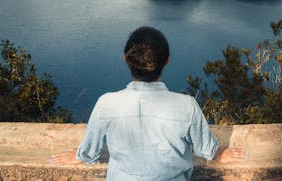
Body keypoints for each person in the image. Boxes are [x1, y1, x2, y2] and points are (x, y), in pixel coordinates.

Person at [50, 26, 244, 180]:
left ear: (126, 59)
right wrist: (219, 154)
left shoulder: (106, 104)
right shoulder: (187, 106)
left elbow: (90, 153)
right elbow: (206, 149)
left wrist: (79, 156)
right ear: (166, 61)